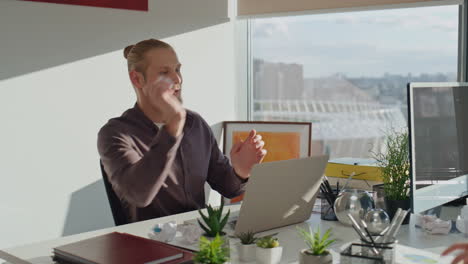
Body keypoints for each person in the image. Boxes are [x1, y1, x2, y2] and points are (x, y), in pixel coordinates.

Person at [97, 39, 266, 223]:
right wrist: (172, 128)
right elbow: (139, 195)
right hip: (150, 245)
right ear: (137, 79)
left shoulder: (195, 124)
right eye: (164, 72)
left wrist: (242, 171)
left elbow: (229, 188)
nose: (177, 79)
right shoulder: (115, 134)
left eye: (177, 69)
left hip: (201, 241)